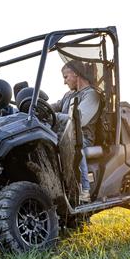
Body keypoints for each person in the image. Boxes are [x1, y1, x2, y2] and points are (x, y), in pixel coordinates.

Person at [52, 60, 100, 203]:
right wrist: (37, 106)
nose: (65, 82)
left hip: (82, 137)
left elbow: (79, 120)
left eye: (66, 77)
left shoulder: (91, 95)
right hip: (65, 133)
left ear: (76, 74)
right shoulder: (69, 95)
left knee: (72, 146)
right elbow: (56, 106)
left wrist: (53, 117)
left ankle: (83, 191)